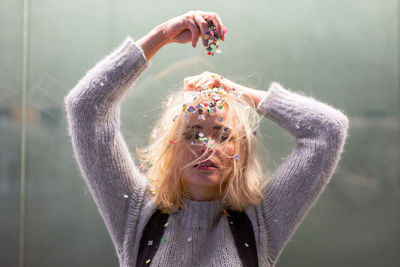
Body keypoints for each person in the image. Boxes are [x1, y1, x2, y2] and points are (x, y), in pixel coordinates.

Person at [64, 10, 349, 267]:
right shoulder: (137, 212)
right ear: (170, 148)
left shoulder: (259, 222)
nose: (206, 147)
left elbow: (328, 130)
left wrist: (234, 91)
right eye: (193, 134)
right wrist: (161, 36)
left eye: (223, 134)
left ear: (242, 150)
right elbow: (85, 108)